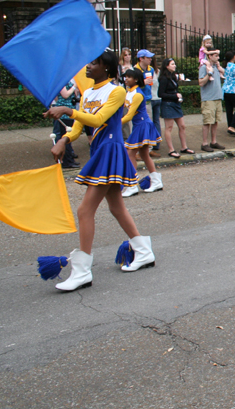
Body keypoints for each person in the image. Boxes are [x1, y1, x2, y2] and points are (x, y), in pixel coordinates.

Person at [44, 51, 156, 292]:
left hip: (110, 150)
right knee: (116, 207)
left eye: (94, 63)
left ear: (106, 68)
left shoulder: (116, 91)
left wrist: (66, 109)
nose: (88, 66)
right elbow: (79, 127)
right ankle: (144, 251)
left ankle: (82, 270)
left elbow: (99, 120)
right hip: (99, 150)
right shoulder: (87, 94)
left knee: (85, 210)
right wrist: (64, 140)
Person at [120, 68, 163, 196]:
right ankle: (156, 181)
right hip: (139, 125)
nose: (126, 79)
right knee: (144, 154)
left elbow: (128, 116)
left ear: (136, 79)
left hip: (143, 125)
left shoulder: (138, 94)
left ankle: (133, 185)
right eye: (125, 76)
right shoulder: (128, 92)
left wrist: (114, 124)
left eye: (129, 77)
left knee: (130, 154)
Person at [158, 58, 192, 158]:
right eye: (172, 64)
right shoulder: (164, 79)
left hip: (176, 104)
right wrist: (175, 96)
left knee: (182, 126)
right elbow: (161, 94)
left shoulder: (173, 77)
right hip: (168, 104)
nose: (174, 66)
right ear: (166, 66)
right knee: (169, 127)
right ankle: (171, 150)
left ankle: (184, 147)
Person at [199, 49, 226, 153]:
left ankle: (213, 141)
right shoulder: (204, 68)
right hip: (208, 99)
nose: (218, 58)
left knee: (215, 121)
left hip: (217, 98)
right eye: (215, 56)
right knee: (207, 122)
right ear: (209, 56)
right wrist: (209, 75)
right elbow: (201, 82)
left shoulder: (216, 67)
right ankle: (204, 143)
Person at [51, 79, 80, 169]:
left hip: (69, 111)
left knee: (68, 137)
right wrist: (74, 86)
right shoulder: (60, 82)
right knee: (65, 136)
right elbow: (65, 95)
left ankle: (69, 160)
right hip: (64, 114)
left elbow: (73, 95)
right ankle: (66, 162)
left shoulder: (68, 82)